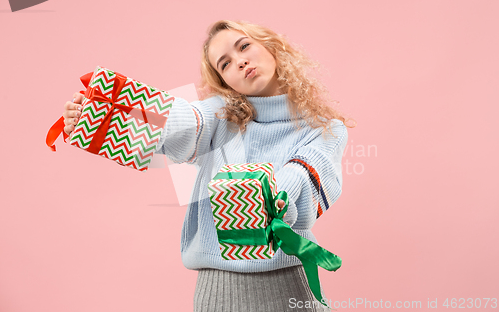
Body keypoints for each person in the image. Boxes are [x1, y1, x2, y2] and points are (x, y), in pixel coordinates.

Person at [62, 20, 356, 312]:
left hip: (288, 286)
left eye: (244, 47)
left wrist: (272, 199)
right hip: (217, 291)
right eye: (225, 64)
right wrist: (100, 114)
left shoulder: (325, 129)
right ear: (224, 81)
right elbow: (179, 121)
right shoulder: (222, 116)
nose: (240, 62)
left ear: (272, 46)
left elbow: (301, 177)